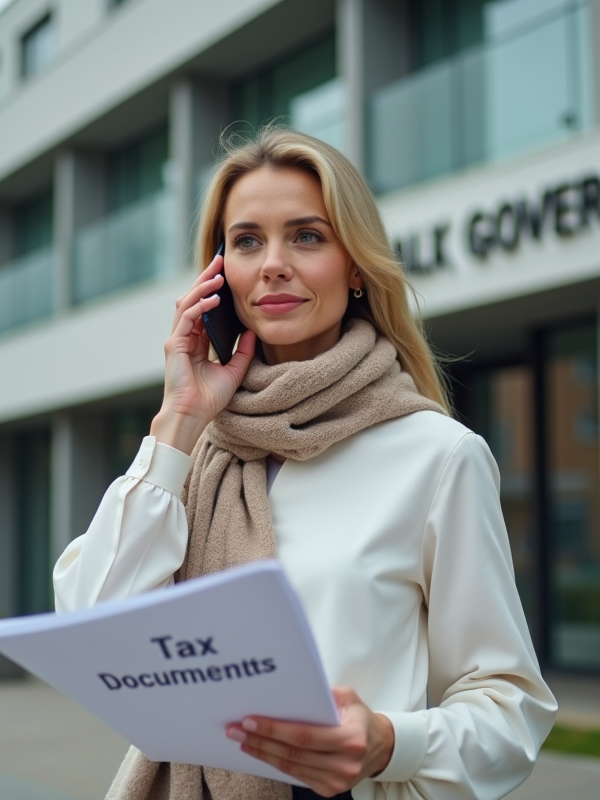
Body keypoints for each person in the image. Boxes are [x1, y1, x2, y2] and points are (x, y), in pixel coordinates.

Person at [53, 127, 556, 800]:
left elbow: (510, 707)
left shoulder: (436, 455)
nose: (273, 265)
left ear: (356, 266)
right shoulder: (191, 454)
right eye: (248, 241)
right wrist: (176, 421)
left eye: (308, 236)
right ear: (218, 274)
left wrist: (387, 742)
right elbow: (95, 631)